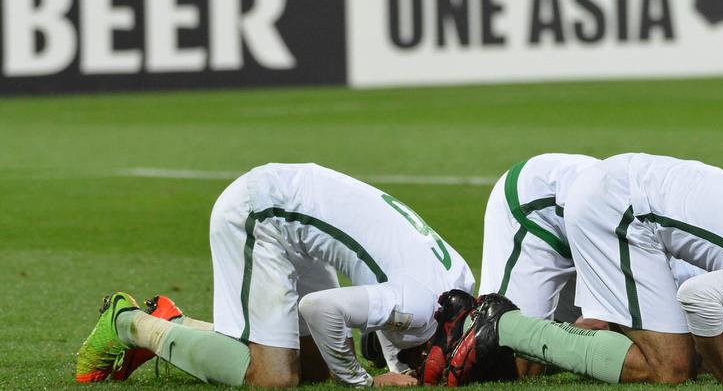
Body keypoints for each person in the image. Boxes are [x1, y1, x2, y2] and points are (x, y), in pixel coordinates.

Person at [450, 153, 723, 385]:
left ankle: (483, 331)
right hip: (614, 208)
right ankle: (501, 325)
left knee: (530, 369)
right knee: (670, 367)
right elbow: (699, 297)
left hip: (628, 194)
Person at [74, 163, 474, 387]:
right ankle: (130, 323)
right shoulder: (421, 304)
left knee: (315, 372)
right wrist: (364, 384)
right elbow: (321, 309)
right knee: (275, 380)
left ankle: (177, 324)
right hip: (261, 213)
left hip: (297, 217)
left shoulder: (460, 284)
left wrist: (382, 368)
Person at [477, 153, 723, 378]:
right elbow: (594, 325)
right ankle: (460, 324)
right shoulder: (689, 288)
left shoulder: (721, 285)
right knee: (504, 362)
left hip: (596, 216)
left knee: (537, 361)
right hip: (541, 207)